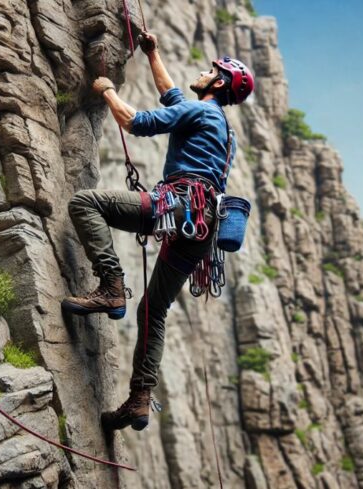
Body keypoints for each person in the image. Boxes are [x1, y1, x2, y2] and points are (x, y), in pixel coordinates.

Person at [61, 31, 255, 432]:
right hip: (203, 229)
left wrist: (108, 91)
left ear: (217, 82)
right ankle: (139, 399)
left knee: (86, 203)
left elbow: (136, 122)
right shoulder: (219, 124)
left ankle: (111, 284)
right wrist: (153, 53)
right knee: (154, 309)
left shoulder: (203, 113)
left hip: (181, 206)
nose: (202, 72)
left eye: (209, 71)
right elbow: (173, 97)